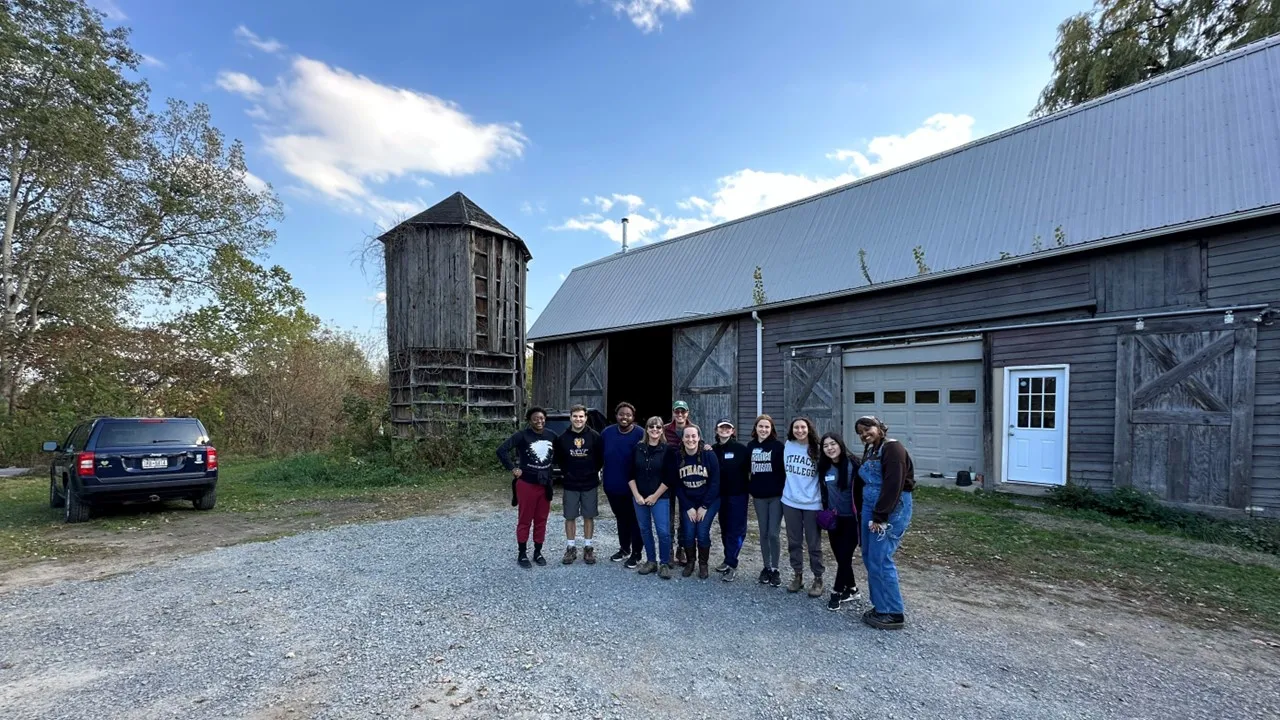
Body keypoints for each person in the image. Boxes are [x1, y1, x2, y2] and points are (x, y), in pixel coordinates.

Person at [854, 415, 915, 630]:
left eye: (868, 428)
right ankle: (880, 606)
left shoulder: (893, 449)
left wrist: (881, 517)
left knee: (881, 558)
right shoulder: (871, 450)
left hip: (891, 510)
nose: (864, 433)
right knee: (870, 556)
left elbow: (893, 484)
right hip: (871, 508)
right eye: (860, 431)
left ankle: (893, 612)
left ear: (880, 427)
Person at [496, 407, 557, 568]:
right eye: (536, 418)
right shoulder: (522, 435)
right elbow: (501, 450)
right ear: (530, 420)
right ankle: (522, 553)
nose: (539, 421)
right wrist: (512, 468)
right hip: (527, 484)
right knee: (525, 520)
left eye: (542, 418)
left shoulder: (551, 435)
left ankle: (538, 552)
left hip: (545, 484)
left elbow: (564, 451)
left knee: (541, 520)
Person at [554, 404, 604, 565]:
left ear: (586, 418)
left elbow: (600, 458)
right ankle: (571, 547)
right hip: (570, 483)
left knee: (588, 515)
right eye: (575, 416)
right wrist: (567, 472)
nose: (578, 419)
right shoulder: (563, 438)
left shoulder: (595, 436)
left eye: (581, 416)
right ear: (570, 418)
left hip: (589, 483)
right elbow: (559, 459)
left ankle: (588, 547)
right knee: (570, 516)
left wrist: (591, 471)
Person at [818, 432, 862, 611]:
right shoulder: (824, 467)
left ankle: (836, 592)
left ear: (840, 445)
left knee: (844, 557)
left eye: (833, 444)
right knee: (840, 557)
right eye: (826, 446)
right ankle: (852, 589)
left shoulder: (854, 465)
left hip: (851, 519)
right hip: (834, 520)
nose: (830, 448)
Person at [782, 416, 824, 598]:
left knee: (814, 543)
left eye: (803, 427)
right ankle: (797, 575)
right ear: (792, 430)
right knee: (794, 541)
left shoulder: (818, 448)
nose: (799, 430)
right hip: (790, 501)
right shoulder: (788, 445)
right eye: (796, 427)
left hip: (812, 503)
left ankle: (818, 577)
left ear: (809, 429)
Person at [630, 416, 675, 580]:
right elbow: (630, 474)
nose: (655, 430)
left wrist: (655, 496)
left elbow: (670, 477)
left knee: (663, 531)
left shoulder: (667, 450)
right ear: (646, 429)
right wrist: (637, 495)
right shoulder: (638, 449)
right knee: (645, 529)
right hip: (639, 497)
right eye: (651, 427)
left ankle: (663, 563)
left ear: (662, 430)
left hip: (660, 497)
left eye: (658, 427)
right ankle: (650, 560)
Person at [601, 402, 645, 568]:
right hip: (612, 485)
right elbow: (599, 456)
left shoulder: (641, 434)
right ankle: (624, 548)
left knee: (635, 520)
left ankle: (636, 553)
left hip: (634, 487)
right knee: (621, 519)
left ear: (633, 417)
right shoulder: (607, 433)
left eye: (628, 414)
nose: (624, 417)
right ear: (616, 415)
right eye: (621, 414)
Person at [673, 424, 720, 579]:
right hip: (689, 502)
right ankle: (690, 562)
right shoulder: (678, 456)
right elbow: (677, 485)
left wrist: (705, 506)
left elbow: (715, 483)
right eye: (687, 436)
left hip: (709, 501)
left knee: (701, 532)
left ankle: (703, 564)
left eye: (694, 436)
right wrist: (687, 507)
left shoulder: (709, 455)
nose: (690, 439)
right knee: (688, 533)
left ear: (699, 438)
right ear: (682, 438)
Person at [747, 414, 786, 587]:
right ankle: (766, 567)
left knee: (773, 533)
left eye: (767, 427)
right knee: (763, 533)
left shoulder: (778, 447)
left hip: (776, 496)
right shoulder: (750, 446)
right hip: (759, 497)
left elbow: (785, 470)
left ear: (771, 430)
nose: (763, 430)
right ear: (755, 428)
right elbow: (745, 469)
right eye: (760, 426)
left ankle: (776, 569)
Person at [712, 419, 750, 582]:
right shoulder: (712, 450)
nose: (725, 430)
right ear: (717, 430)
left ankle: (732, 564)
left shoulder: (741, 449)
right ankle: (727, 559)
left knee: (736, 530)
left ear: (732, 431)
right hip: (720, 496)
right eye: (722, 428)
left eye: (728, 428)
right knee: (725, 528)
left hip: (738, 495)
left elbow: (751, 470)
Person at [664, 400, 693, 566]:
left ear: (687, 413)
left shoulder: (693, 429)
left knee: (684, 515)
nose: (680, 415)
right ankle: (668, 550)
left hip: (686, 477)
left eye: (683, 411)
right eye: (677, 411)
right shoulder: (666, 429)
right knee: (668, 516)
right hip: (668, 477)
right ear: (674, 413)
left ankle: (681, 548)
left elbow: (699, 447)